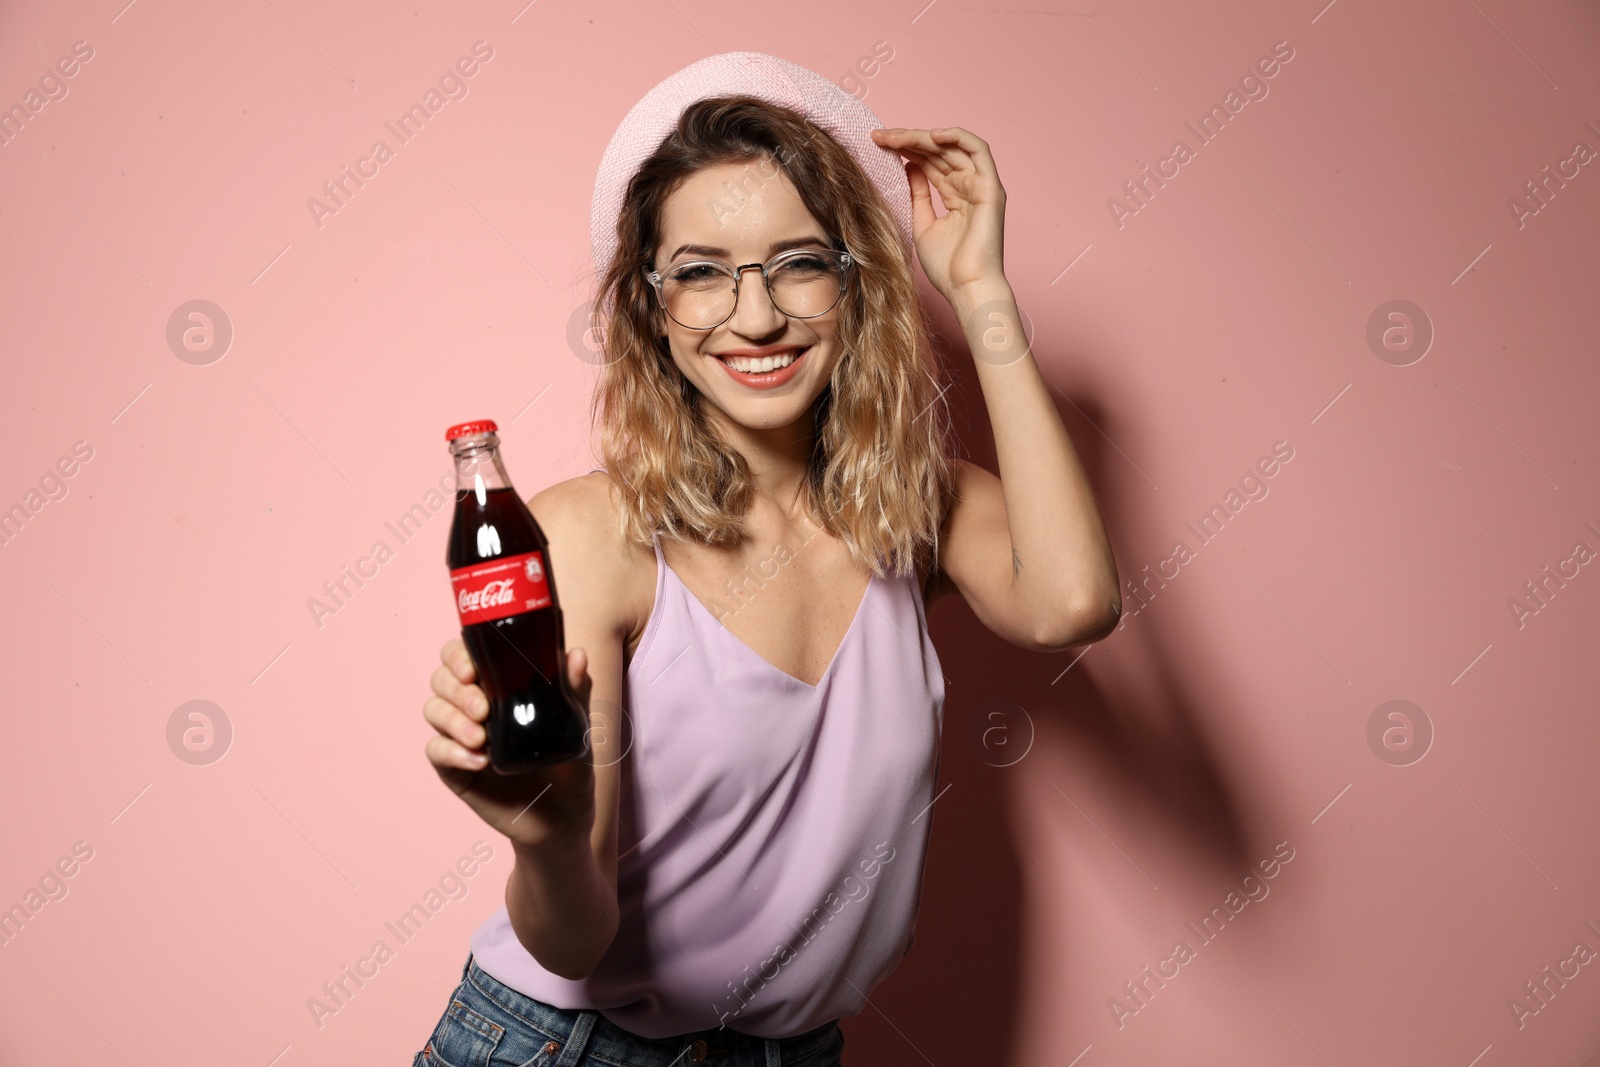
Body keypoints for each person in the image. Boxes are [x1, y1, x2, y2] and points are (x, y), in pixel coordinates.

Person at [415, 51, 1120, 1067]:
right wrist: (547, 835)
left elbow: (1073, 603)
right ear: (654, 307)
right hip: (564, 1045)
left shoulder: (911, 509)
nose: (755, 317)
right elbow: (571, 936)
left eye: (796, 262)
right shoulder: (590, 537)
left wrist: (977, 291)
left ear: (856, 284)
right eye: (701, 272)